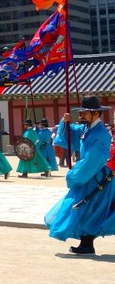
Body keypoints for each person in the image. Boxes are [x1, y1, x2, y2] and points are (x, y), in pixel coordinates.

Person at [45, 96, 114, 255]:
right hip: (90, 176)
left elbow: (92, 159)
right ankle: (86, 244)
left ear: (95, 114)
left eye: (84, 112)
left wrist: (74, 175)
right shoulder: (87, 129)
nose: (81, 115)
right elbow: (71, 133)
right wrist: (66, 122)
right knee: (87, 208)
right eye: (81, 112)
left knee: (88, 208)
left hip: (95, 177)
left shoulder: (101, 134)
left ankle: (87, 244)